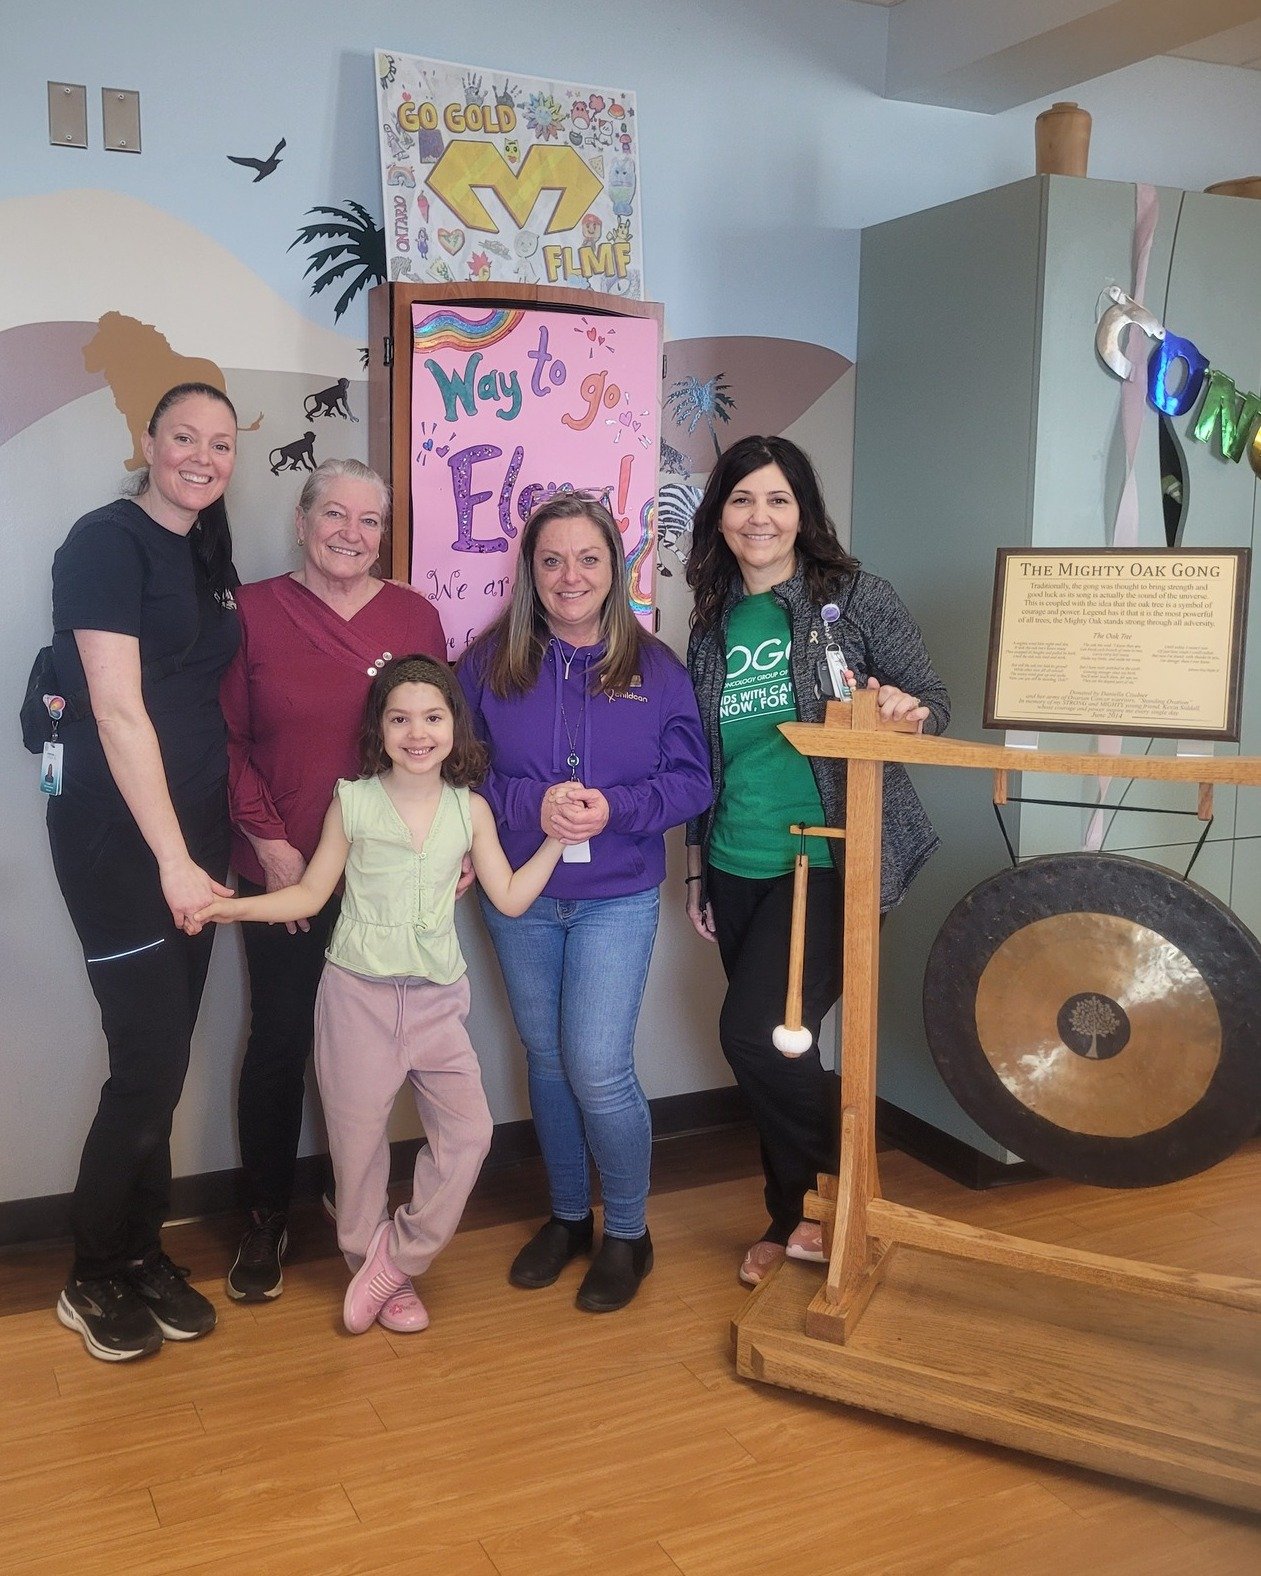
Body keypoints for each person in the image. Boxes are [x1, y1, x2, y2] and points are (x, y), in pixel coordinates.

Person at [195, 655, 564, 1334]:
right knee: (358, 1153)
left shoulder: (470, 810)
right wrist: (226, 911)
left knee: (469, 1136)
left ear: (454, 725)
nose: (416, 733)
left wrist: (554, 841)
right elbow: (309, 894)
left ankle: (398, 1257)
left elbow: (508, 897)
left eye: (431, 717)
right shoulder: (353, 800)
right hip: (355, 997)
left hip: (436, 1003)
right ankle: (372, 1268)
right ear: (380, 729)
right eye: (399, 719)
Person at [684, 435, 949, 1288]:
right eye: (740, 500)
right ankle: (792, 1215)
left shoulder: (855, 597)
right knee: (781, 1052)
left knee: (756, 1037)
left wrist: (907, 710)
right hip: (737, 861)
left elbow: (929, 703)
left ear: (803, 513)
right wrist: (697, 866)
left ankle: (842, 1196)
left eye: (777, 500)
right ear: (718, 515)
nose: (758, 517)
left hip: (835, 858)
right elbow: (705, 762)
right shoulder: (710, 620)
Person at [458, 493, 712, 1313]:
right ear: (531, 571)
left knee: (598, 1067)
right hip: (518, 895)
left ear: (616, 569)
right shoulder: (490, 662)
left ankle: (628, 1234)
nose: (571, 576)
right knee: (546, 1059)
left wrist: (616, 810)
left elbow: (690, 782)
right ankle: (568, 1219)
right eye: (552, 560)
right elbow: (455, 767)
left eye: (588, 559)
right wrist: (529, 803)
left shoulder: (657, 668)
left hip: (615, 899)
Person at [47, 382, 243, 1361]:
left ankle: (138, 1252)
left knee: (164, 1058)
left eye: (220, 442)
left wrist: (213, 844)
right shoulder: (104, 541)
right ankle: (91, 1272)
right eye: (184, 438)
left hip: (195, 835)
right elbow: (119, 712)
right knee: (150, 1056)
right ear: (147, 441)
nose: (202, 457)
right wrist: (172, 859)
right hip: (118, 841)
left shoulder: (206, 547)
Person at [220, 459, 446, 1302]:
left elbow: (436, 742)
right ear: (303, 519)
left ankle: (364, 1219)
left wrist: (445, 845)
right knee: (280, 1041)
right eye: (335, 515)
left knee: (376, 1056)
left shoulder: (415, 614)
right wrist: (270, 843)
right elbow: (226, 741)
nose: (351, 533)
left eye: (370, 520)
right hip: (282, 869)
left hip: (388, 877)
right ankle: (263, 1219)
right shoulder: (251, 612)